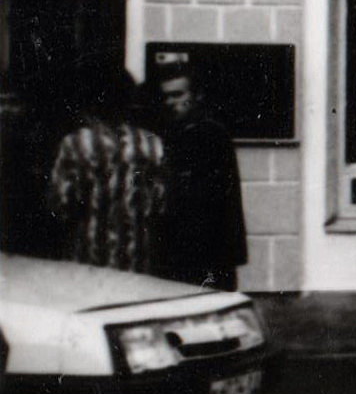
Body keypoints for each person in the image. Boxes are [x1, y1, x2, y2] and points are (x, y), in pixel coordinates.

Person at [46, 64, 167, 275]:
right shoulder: (151, 144)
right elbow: (160, 205)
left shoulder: (75, 144)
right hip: (136, 260)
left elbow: (60, 206)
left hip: (87, 259)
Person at [152, 56, 248, 291]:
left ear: (196, 96)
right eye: (166, 96)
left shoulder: (211, 134)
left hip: (209, 251)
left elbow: (222, 201)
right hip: (178, 249)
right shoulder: (168, 134)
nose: (170, 102)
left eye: (178, 95)